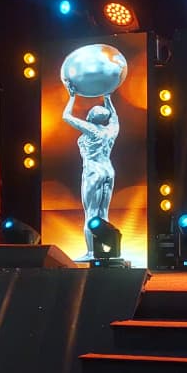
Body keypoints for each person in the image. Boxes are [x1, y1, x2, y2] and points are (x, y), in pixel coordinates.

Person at [63, 78, 119, 260]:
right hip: (108, 170)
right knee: (103, 214)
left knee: (91, 213)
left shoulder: (91, 129)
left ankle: (92, 252)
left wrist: (72, 97)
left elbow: (66, 116)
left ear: (91, 116)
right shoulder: (111, 131)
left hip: (94, 171)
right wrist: (107, 96)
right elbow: (115, 117)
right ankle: (106, 250)